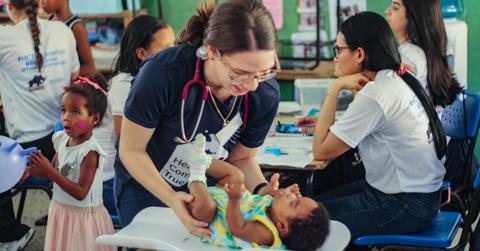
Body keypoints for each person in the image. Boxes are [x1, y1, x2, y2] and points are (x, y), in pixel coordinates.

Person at [115, 0, 290, 237]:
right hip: (147, 185)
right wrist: (170, 197)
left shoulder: (264, 94)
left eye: (265, 71)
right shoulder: (162, 73)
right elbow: (131, 150)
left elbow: (242, 158)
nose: (252, 84)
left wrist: (262, 190)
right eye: (240, 73)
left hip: (208, 190)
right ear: (211, 51)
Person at [308, 11, 448, 240]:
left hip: (405, 204)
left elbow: (321, 151)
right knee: (314, 203)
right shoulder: (396, 78)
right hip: (422, 197)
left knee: (306, 220)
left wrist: (334, 88)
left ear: (359, 54)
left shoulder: (377, 93)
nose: (335, 58)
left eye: (338, 50)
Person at [0, 0, 79, 249]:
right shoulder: (63, 31)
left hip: (26, 152)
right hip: (65, 141)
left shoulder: (4, 38)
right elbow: (74, 77)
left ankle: (10, 234)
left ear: (9, 7)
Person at [187, 134, 330, 251]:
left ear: (282, 227)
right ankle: (202, 159)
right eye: (298, 196)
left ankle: (196, 173)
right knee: (237, 176)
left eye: (293, 202)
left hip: (211, 217)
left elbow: (238, 228)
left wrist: (235, 199)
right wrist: (282, 191)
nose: (291, 196)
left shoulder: (266, 233)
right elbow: (269, 197)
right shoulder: (275, 210)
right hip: (223, 196)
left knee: (206, 208)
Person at [26, 75, 115, 251]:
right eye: (63, 110)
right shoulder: (61, 140)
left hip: (82, 220)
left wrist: (49, 171)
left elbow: (81, 192)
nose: (66, 117)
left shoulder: (90, 152)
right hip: (61, 211)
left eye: (75, 112)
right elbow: (53, 171)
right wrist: (30, 172)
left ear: (94, 119)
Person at [385, 0, 461, 107]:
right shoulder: (422, 52)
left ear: (413, 16)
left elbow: (389, 104)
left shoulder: (408, 57)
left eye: (396, 7)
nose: (387, 11)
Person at [109, 15, 175, 137]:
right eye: (166, 48)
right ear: (142, 53)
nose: (174, 52)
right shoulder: (122, 85)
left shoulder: (161, 80)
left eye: (174, 44)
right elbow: (123, 140)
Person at [40, 0, 96, 76]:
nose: (42, 2)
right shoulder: (49, 22)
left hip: (68, 84)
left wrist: (62, 74)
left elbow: (90, 69)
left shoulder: (76, 26)